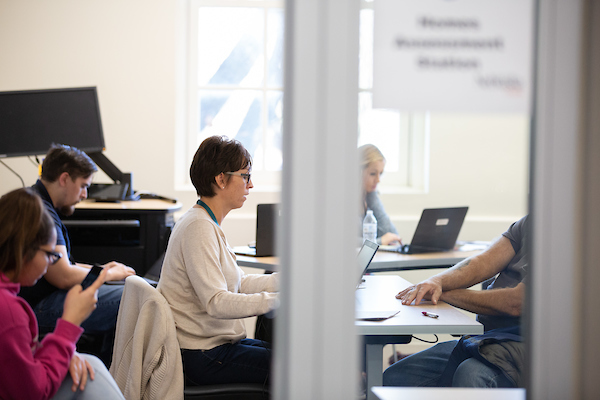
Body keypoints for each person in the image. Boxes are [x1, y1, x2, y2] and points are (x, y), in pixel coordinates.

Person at [157, 135, 279, 386]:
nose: (251, 184)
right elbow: (217, 302)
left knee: (289, 359)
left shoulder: (206, 222)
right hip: (202, 355)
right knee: (296, 367)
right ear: (221, 179)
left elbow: (238, 282)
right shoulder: (198, 228)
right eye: (245, 175)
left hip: (214, 348)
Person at [0, 188, 125, 400]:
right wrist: (69, 324)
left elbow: (16, 359)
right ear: (25, 248)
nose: (51, 262)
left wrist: (60, 352)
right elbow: (35, 392)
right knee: (91, 375)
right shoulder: (9, 312)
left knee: (90, 365)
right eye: (50, 255)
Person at [19, 144, 136, 365]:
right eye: (83, 186)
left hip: (42, 298)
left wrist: (105, 270)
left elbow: (63, 264)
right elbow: (62, 275)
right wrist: (108, 275)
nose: (84, 194)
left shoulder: (36, 200)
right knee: (136, 298)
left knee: (133, 287)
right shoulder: (41, 211)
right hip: (39, 306)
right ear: (64, 179)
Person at [383, 216, 528, 388]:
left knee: (470, 373)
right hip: (488, 338)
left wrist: (444, 294)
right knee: (394, 377)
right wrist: (436, 282)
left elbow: (516, 303)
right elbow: (483, 261)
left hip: (525, 343)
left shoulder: (564, 239)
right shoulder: (531, 222)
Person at [359, 144, 402, 245]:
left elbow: (393, 236)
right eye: (373, 174)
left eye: (380, 174)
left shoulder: (369, 197)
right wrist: (380, 242)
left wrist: (372, 195)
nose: (378, 180)